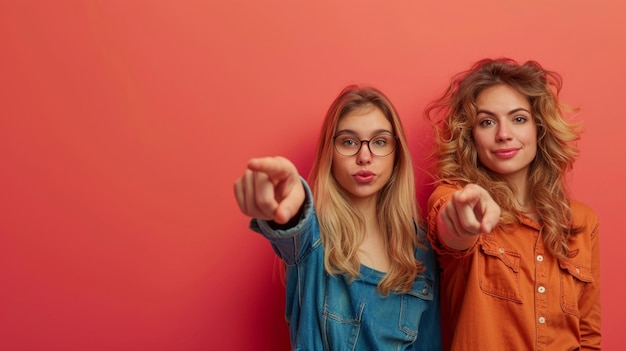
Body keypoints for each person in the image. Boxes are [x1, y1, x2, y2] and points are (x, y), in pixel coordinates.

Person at [234, 85, 441, 350]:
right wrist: (288, 199)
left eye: (379, 142)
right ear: (330, 153)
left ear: (396, 154)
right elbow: (294, 224)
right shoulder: (314, 239)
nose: (364, 157)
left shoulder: (420, 249)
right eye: (348, 142)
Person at [424, 58, 601, 350]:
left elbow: (589, 337)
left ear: (539, 129)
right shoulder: (455, 197)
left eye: (518, 119)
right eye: (487, 122)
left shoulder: (582, 221)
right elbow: (451, 225)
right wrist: (465, 216)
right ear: (471, 136)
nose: (504, 134)